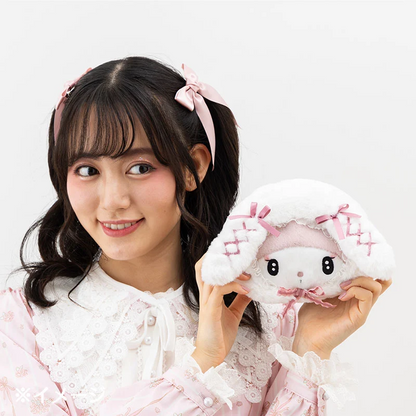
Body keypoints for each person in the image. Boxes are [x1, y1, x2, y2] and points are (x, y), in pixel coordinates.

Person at [0, 57, 392, 416]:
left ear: (193, 167)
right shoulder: (23, 320)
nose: (113, 200)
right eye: (87, 170)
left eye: (139, 167)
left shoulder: (271, 316)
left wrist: (309, 351)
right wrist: (202, 365)